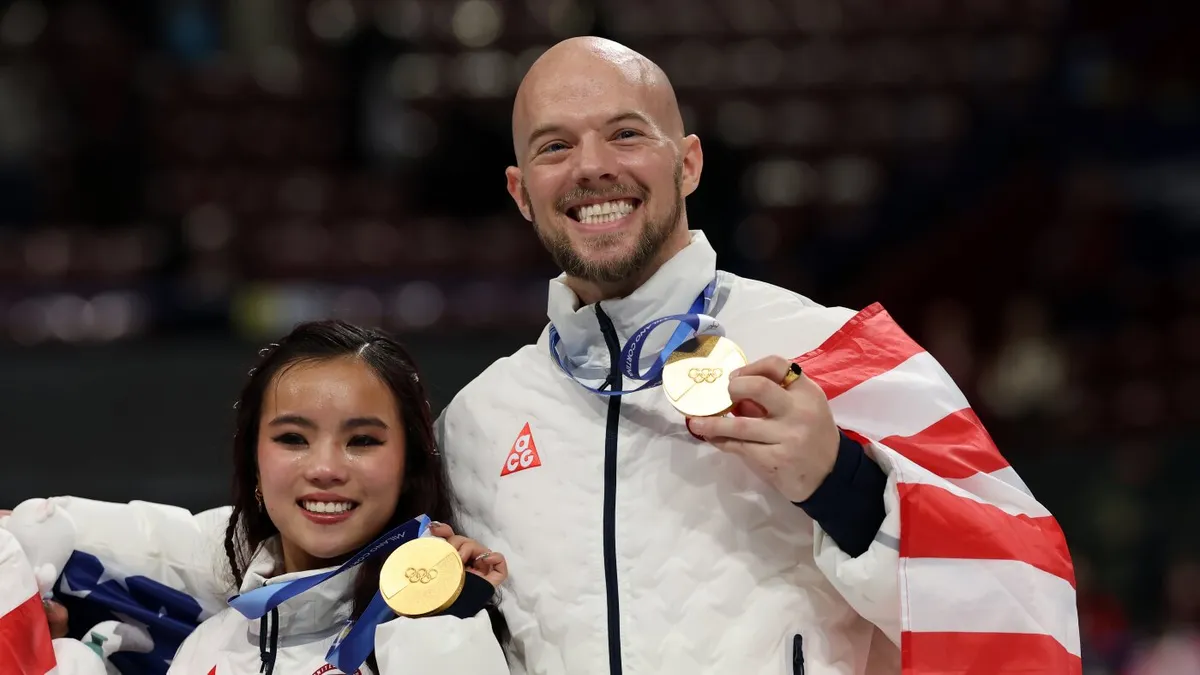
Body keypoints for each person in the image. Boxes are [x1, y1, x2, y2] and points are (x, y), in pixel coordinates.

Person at [9, 36, 1078, 675]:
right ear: (521, 190)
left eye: (626, 133)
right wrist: (46, 550)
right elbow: (284, 556)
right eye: (554, 146)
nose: (592, 168)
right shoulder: (478, 424)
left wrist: (841, 484)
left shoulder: (834, 351)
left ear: (688, 160)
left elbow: (1030, 599)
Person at [6, 321, 512, 675]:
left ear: (408, 467)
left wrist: (438, 618)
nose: (325, 469)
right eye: (292, 438)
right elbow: (162, 543)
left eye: (363, 441)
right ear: (254, 462)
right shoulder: (211, 642)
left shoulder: (438, 630)